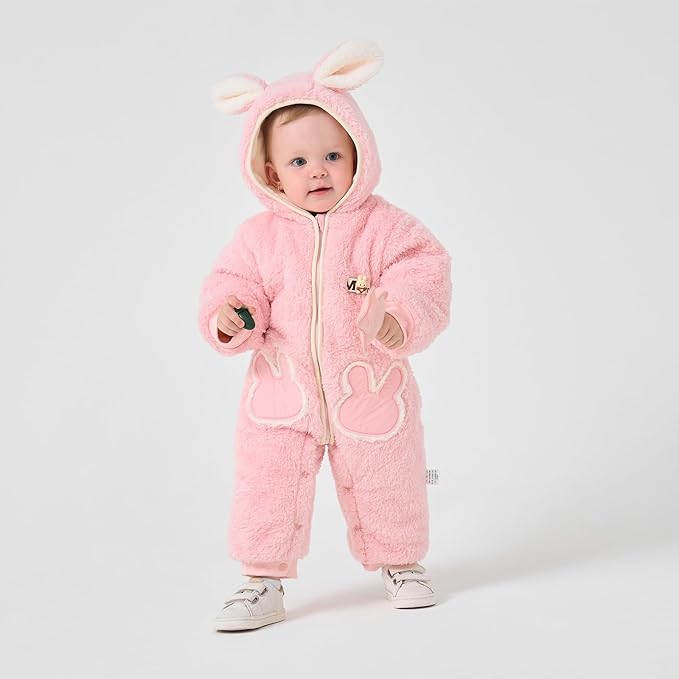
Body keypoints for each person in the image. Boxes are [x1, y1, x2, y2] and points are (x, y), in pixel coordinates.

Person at [198, 40, 452, 631]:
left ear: (359, 154)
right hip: (282, 392)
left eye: (333, 155)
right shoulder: (259, 238)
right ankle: (261, 579)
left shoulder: (385, 227)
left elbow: (424, 272)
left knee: (390, 477)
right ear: (270, 174)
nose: (318, 170)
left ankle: (401, 563)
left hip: (371, 387)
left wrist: (396, 315)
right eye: (298, 162)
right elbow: (232, 284)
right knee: (266, 483)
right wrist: (231, 315)